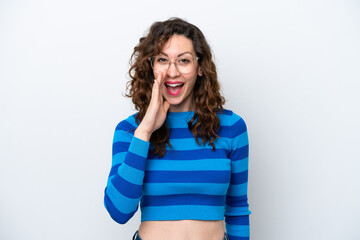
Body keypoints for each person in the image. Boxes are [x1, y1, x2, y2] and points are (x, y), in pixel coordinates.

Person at [104, 17, 251, 240]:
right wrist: (144, 132)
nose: (172, 72)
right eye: (163, 60)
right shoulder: (130, 130)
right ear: (152, 66)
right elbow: (119, 211)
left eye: (183, 61)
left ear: (200, 67)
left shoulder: (232, 127)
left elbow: (237, 209)